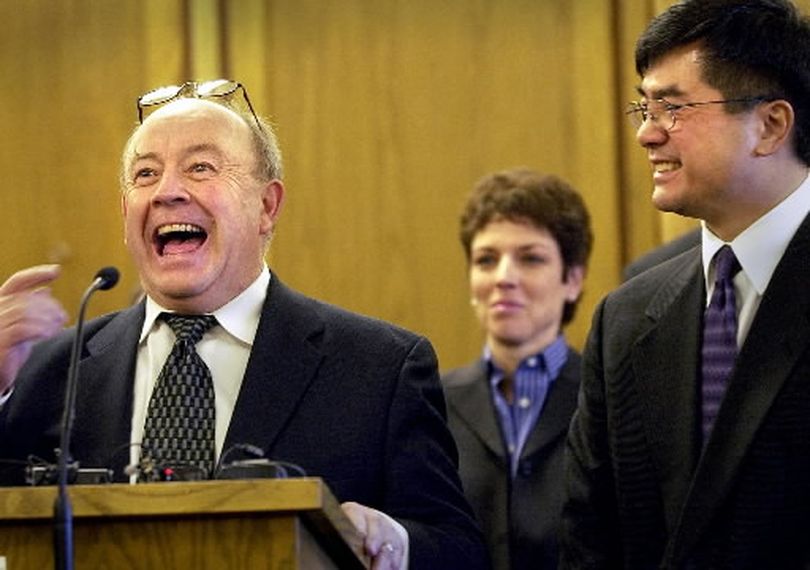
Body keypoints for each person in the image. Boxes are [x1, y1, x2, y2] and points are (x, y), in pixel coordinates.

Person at [0, 80, 490, 569]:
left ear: (267, 206)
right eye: (145, 174)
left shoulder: (379, 368)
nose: (167, 191)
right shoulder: (49, 370)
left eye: (200, 167)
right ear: (126, 210)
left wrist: (393, 542)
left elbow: (459, 550)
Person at [561, 1, 810, 568]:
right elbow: (589, 537)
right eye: (642, 109)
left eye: (672, 108)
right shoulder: (625, 317)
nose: (647, 135)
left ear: (770, 124)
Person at [442, 168, 592, 570]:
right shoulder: (429, 402)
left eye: (530, 258)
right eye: (486, 260)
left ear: (572, 280)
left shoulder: (608, 398)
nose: (503, 278)